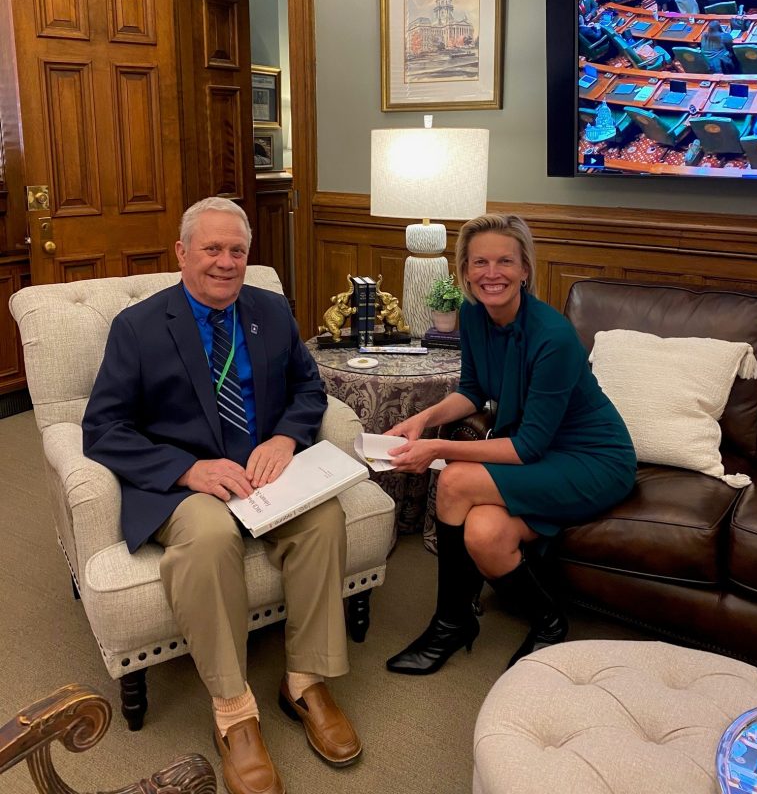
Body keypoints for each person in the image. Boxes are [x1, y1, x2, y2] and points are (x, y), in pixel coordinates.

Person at [83, 197, 361, 794]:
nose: (226, 262)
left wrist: (286, 438)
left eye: (237, 250)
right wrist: (188, 470)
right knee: (209, 539)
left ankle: (305, 682)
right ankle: (234, 711)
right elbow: (103, 428)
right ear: (182, 253)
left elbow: (308, 389)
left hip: (264, 472)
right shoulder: (137, 327)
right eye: (212, 249)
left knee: (324, 519)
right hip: (187, 483)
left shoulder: (270, 310)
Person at [383, 214, 636, 676]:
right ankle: (550, 620)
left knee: (455, 480)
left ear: (524, 270)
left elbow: (527, 448)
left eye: (504, 261)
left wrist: (438, 450)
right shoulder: (473, 316)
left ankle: (450, 623)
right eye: (480, 262)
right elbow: (472, 391)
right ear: (464, 271)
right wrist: (421, 421)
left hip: (593, 459)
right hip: (541, 450)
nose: (491, 273)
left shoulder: (553, 336)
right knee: (484, 533)